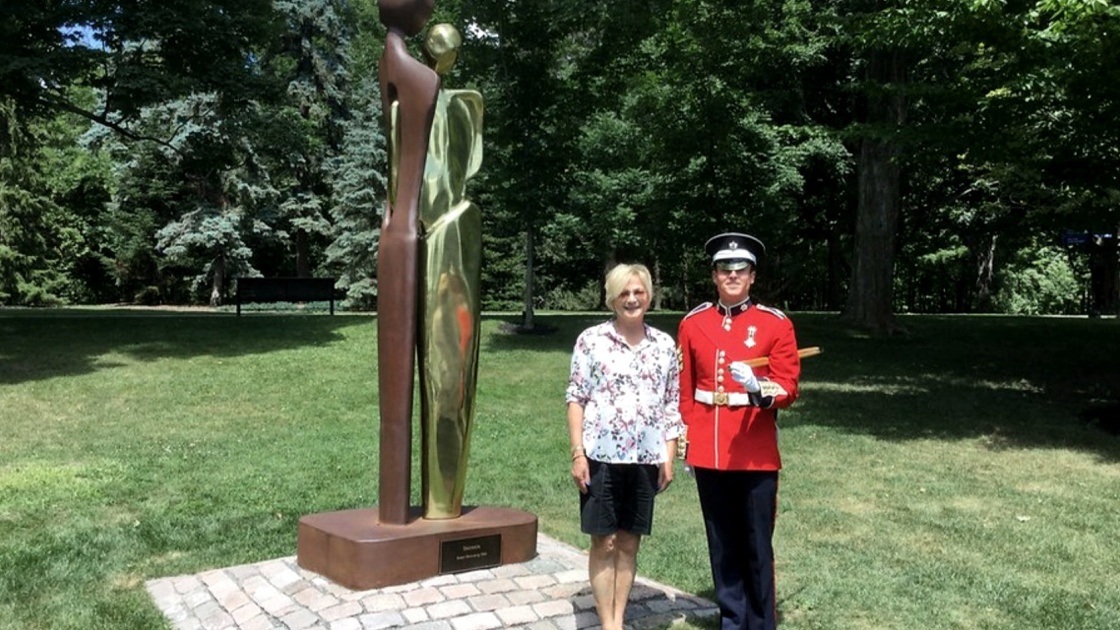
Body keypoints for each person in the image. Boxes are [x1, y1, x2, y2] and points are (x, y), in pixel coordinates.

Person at [677, 233, 801, 630]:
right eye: (724, 269)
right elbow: (685, 389)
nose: (732, 276)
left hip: (753, 449)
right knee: (722, 543)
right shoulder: (693, 323)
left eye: (740, 270)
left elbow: (788, 387)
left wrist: (757, 388)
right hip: (709, 448)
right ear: (714, 276)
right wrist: (686, 440)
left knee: (756, 545)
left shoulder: (774, 324)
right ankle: (732, 618)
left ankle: (761, 623)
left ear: (752, 277)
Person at [566, 263, 682, 630]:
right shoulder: (591, 340)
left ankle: (619, 616)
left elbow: (671, 403)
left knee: (629, 542)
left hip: (645, 458)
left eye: (638, 292)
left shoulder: (664, 345)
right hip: (600, 457)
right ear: (612, 298)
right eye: (624, 293)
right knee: (605, 542)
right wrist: (577, 453)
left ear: (649, 296)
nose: (631, 299)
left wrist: (670, 452)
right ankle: (608, 624)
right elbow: (576, 398)